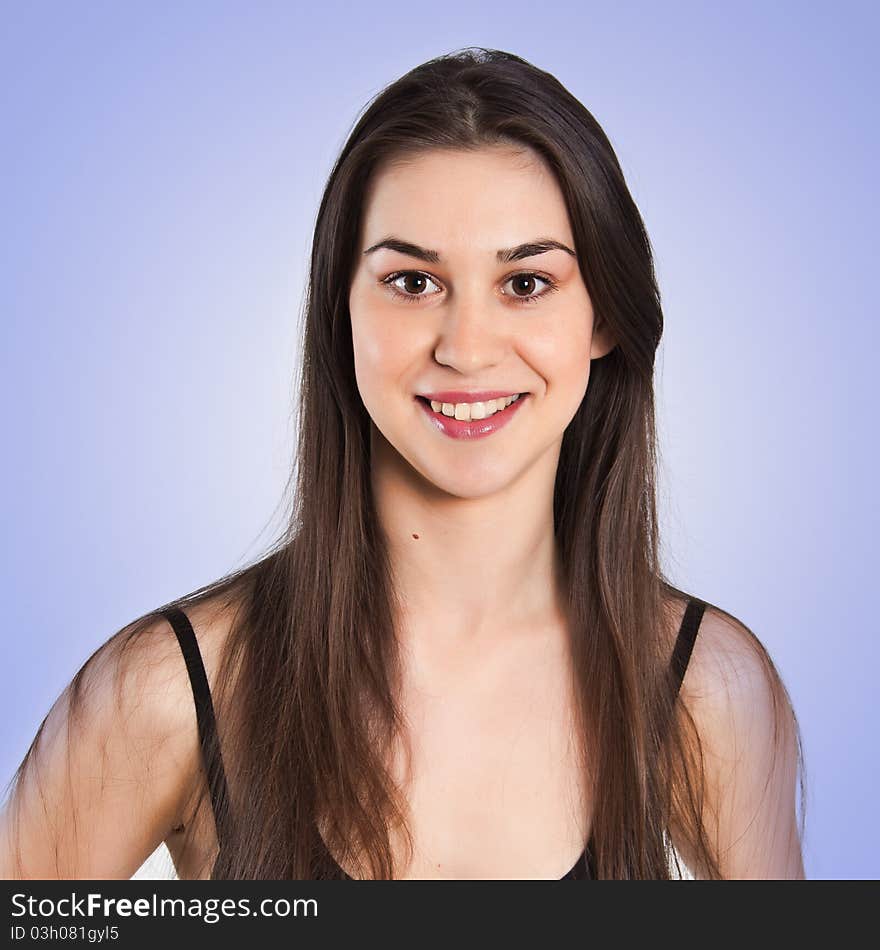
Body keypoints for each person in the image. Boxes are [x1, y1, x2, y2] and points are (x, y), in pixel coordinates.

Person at [0, 47, 806, 881]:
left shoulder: (707, 693)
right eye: (413, 282)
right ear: (340, 310)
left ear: (604, 317)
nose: (465, 348)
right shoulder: (171, 690)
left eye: (526, 283)